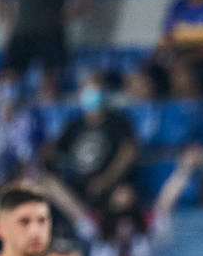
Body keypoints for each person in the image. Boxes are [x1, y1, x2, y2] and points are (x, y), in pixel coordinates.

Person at [40, 145, 202, 256]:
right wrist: (47, 181)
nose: (122, 197)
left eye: (126, 193)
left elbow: (166, 200)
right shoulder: (98, 227)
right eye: (118, 193)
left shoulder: (146, 224)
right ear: (109, 199)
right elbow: (71, 207)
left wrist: (184, 170)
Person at [0, 0, 96, 101]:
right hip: (23, 30)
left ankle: (48, 116)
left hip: (51, 30)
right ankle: (6, 120)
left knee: (50, 85)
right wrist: (3, 14)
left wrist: (80, 6)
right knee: (7, 82)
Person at [49, 71, 140, 206]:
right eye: (86, 90)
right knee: (46, 184)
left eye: (95, 90)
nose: (90, 95)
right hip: (75, 185)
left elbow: (129, 152)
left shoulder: (117, 122)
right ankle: (83, 221)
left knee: (124, 196)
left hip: (108, 183)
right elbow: (55, 151)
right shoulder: (73, 126)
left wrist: (105, 180)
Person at [0, 69, 42, 186]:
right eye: (3, 87)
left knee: (39, 175)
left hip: (24, 171)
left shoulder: (29, 118)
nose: (7, 92)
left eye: (11, 87)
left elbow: (27, 153)